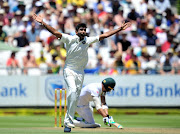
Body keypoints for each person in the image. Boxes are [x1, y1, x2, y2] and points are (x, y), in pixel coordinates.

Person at [32, 13, 131, 132]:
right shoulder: (70, 38)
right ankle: (68, 122)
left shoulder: (87, 40)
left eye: (85, 30)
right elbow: (56, 33)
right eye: (81, 30)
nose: (83, 31)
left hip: (80, 72)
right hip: (69, 69)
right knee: (72, 91)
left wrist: (119, 29)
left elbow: (104, 35)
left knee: (75, 96)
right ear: (76, 31)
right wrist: (43, 23)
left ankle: (70, 120)